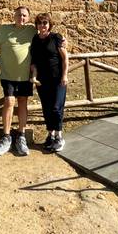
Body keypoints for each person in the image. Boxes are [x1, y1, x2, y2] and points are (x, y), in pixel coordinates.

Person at [0, 6, 36, 156]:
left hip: (25, 76)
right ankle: (6, 136)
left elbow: (46, 35)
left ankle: (21, 136)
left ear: (28, 18)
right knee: (9, 102)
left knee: (23, 102)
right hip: (8, 75)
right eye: (18, 15)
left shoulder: (32, 31)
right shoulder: (4, 30)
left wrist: (61, 41)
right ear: (14, 16)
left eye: (24, 15)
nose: (21, 18)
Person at [30, 12, 68, 152]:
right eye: (40, 23)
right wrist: (34, 76)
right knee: (47, 108)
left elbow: (64, 58)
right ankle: (50, 134)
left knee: (56, 108)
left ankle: (59, 136)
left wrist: (64, 76)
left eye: (45, 23)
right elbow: (34, 61)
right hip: (42, 80)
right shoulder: (35, 39)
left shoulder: (56, 37)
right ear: (37, 25)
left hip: (57, 78)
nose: (42, 25)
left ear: (49, 24)